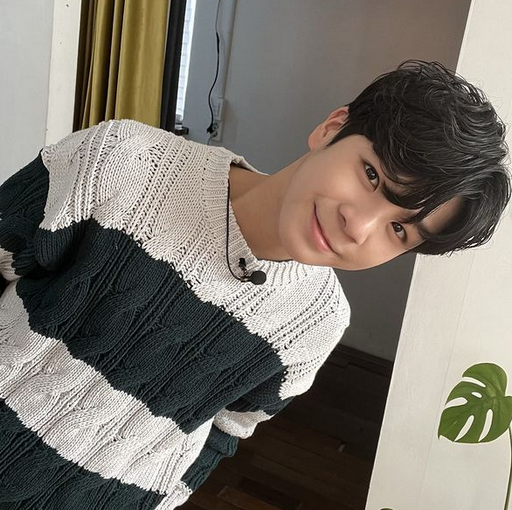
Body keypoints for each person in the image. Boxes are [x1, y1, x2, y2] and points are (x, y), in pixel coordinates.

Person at [0, 60, 509, 509]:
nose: (359, 227)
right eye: (372, 177)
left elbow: (225, 429)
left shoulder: (315, 324)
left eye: (399, 230)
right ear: (332, 128)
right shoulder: (121, 160)